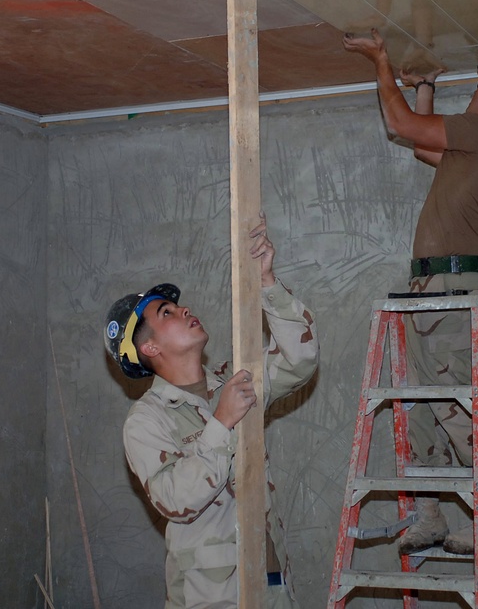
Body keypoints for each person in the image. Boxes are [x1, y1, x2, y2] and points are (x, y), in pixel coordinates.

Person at [343, 28, 478, 556]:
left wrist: (381, 61)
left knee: (456, 401)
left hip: (450, 289)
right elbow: (421, 145)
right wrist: (426, 87)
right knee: (424, 402)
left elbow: (400, 124)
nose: (476, 91)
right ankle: (430, 512)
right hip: (434, 288)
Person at [103, 214, 319, 609]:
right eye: (166, 313)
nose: (183, 310)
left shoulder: (232, 381)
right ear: (149, 348)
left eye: (177, 305)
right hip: (212, 597)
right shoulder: (146, 420)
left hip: (271, 582)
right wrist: (220, 423)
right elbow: (173, 500)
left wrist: (267, 282)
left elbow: (300, 359)